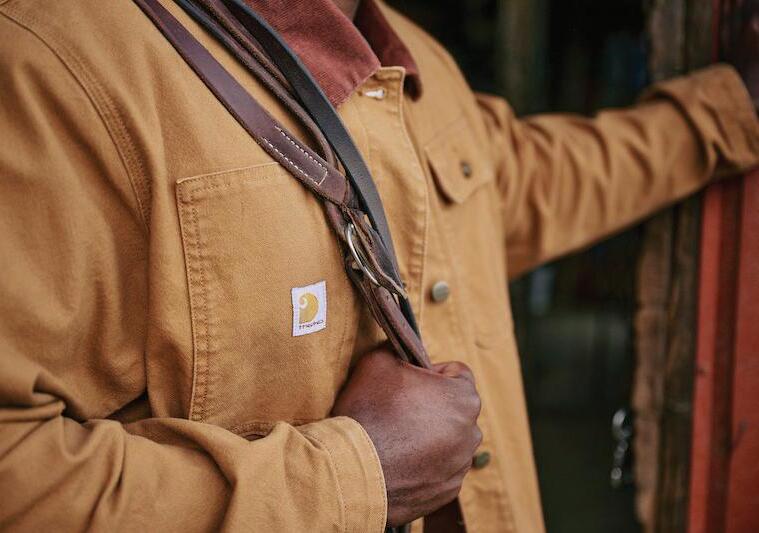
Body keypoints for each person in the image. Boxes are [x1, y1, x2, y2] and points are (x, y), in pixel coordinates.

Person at [0, 0, 756, 532]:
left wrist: (730, 109)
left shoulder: (415, 59)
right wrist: (357, 477)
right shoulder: (56, 63)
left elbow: (534, 180)